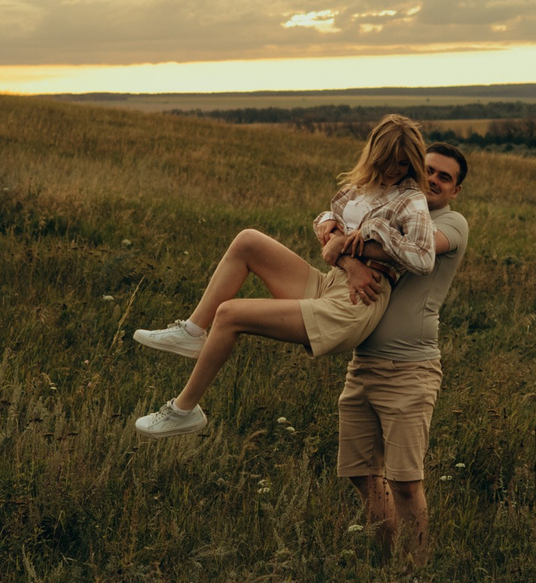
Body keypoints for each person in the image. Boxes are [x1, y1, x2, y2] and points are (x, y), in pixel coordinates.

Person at [130, 114, 436, 436]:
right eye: (387, 161)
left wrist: (371, 235)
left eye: (402, 164)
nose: (393, 170)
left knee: (231, 313)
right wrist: (334, 235)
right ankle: (192, 332)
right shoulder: (360, 188)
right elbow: (328, 223)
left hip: (357, 300)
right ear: (374, 154)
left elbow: (424, 257)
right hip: (332, 281)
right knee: (248, 240)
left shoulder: (410, 199)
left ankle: (183, 411)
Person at [337, 142, 466, 567]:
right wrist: (338, 236)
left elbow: (421, 252)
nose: (433, 180)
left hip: (411, 368)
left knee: (406, 482)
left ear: (455, 190)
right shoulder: (387, 208)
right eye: (427, 170)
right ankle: (388, 562)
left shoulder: (453, 224)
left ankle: (417, 577)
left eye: (444, 177)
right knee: (361, 472)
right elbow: (334, 220)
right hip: (363, 363)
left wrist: (348, 244)